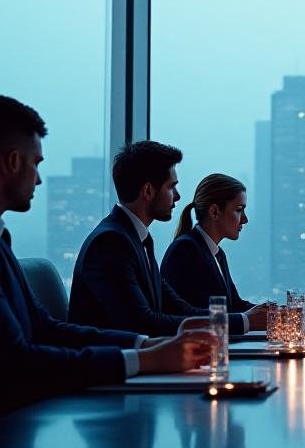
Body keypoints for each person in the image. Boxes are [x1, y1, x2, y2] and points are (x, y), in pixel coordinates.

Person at [0, 96, 210, 448]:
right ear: (13, 161)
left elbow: (43, 328)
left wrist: (144, 344)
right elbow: (14, 363)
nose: (39, 179)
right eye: (35, 163)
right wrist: (143, 360)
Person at [68, 141, 209, 336]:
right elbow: (143, 323)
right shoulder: (111, 242)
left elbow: (176, 307)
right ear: (148, 191)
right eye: (171, 187)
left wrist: (243, 320)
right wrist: (239, 322)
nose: (177, 196)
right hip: (115, 364)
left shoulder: (136, 238)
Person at [161, 173, 267, 334]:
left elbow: (235, 305)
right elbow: (184, 315)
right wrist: (248, 320)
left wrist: (275, 313)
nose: (244, 219)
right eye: (239, 210)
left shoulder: (217, 254)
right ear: (215, 212)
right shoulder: (185, 250)